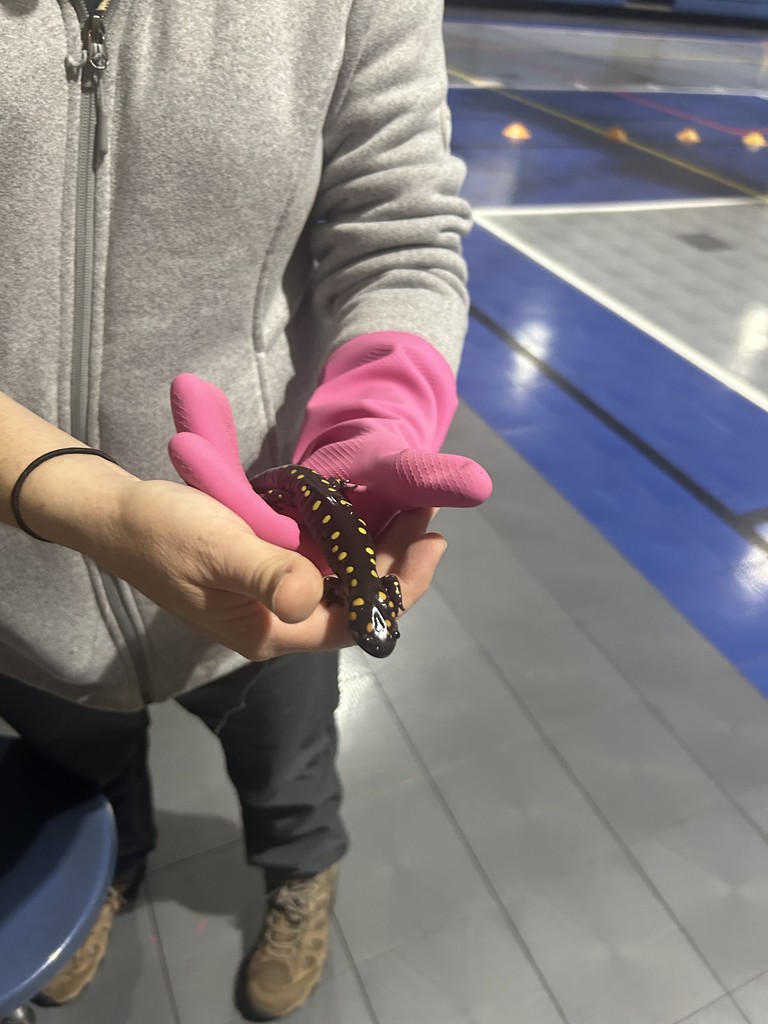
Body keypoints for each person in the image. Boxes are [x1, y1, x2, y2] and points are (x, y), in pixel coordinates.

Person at [0, 0, 489, 1019]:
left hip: (267, 543)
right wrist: (75, 499)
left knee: (291, 765)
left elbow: (399, 226)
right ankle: (111, 855)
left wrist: (381, 403)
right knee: (74, 758)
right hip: (17, 576)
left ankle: (301, 868)